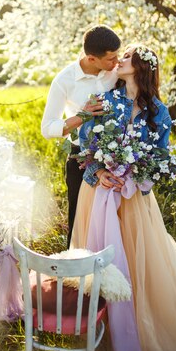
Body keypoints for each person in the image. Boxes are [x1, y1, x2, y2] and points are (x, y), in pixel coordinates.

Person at [71, 45, 176, 351]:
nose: (119, 62)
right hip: (98, 193)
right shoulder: (104, 99)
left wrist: (137, 174)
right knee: (101, 259)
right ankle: (98, 334)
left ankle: (142, 332)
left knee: (137, 265)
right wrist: (99, 171)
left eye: (126, 58)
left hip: (134, 202)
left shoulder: (157, 111)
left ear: (141, 68)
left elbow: (160, 156)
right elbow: (84, 143)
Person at [41, 25, 121, 247]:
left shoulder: (116, 72)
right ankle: (75, 273)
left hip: (119, 157)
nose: (117, 63)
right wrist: (83, 115)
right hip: (81, 158)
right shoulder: (64, 80)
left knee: (114, 223)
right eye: (111, 59)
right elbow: (47, 128)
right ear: (91, 59)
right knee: (79, 222)